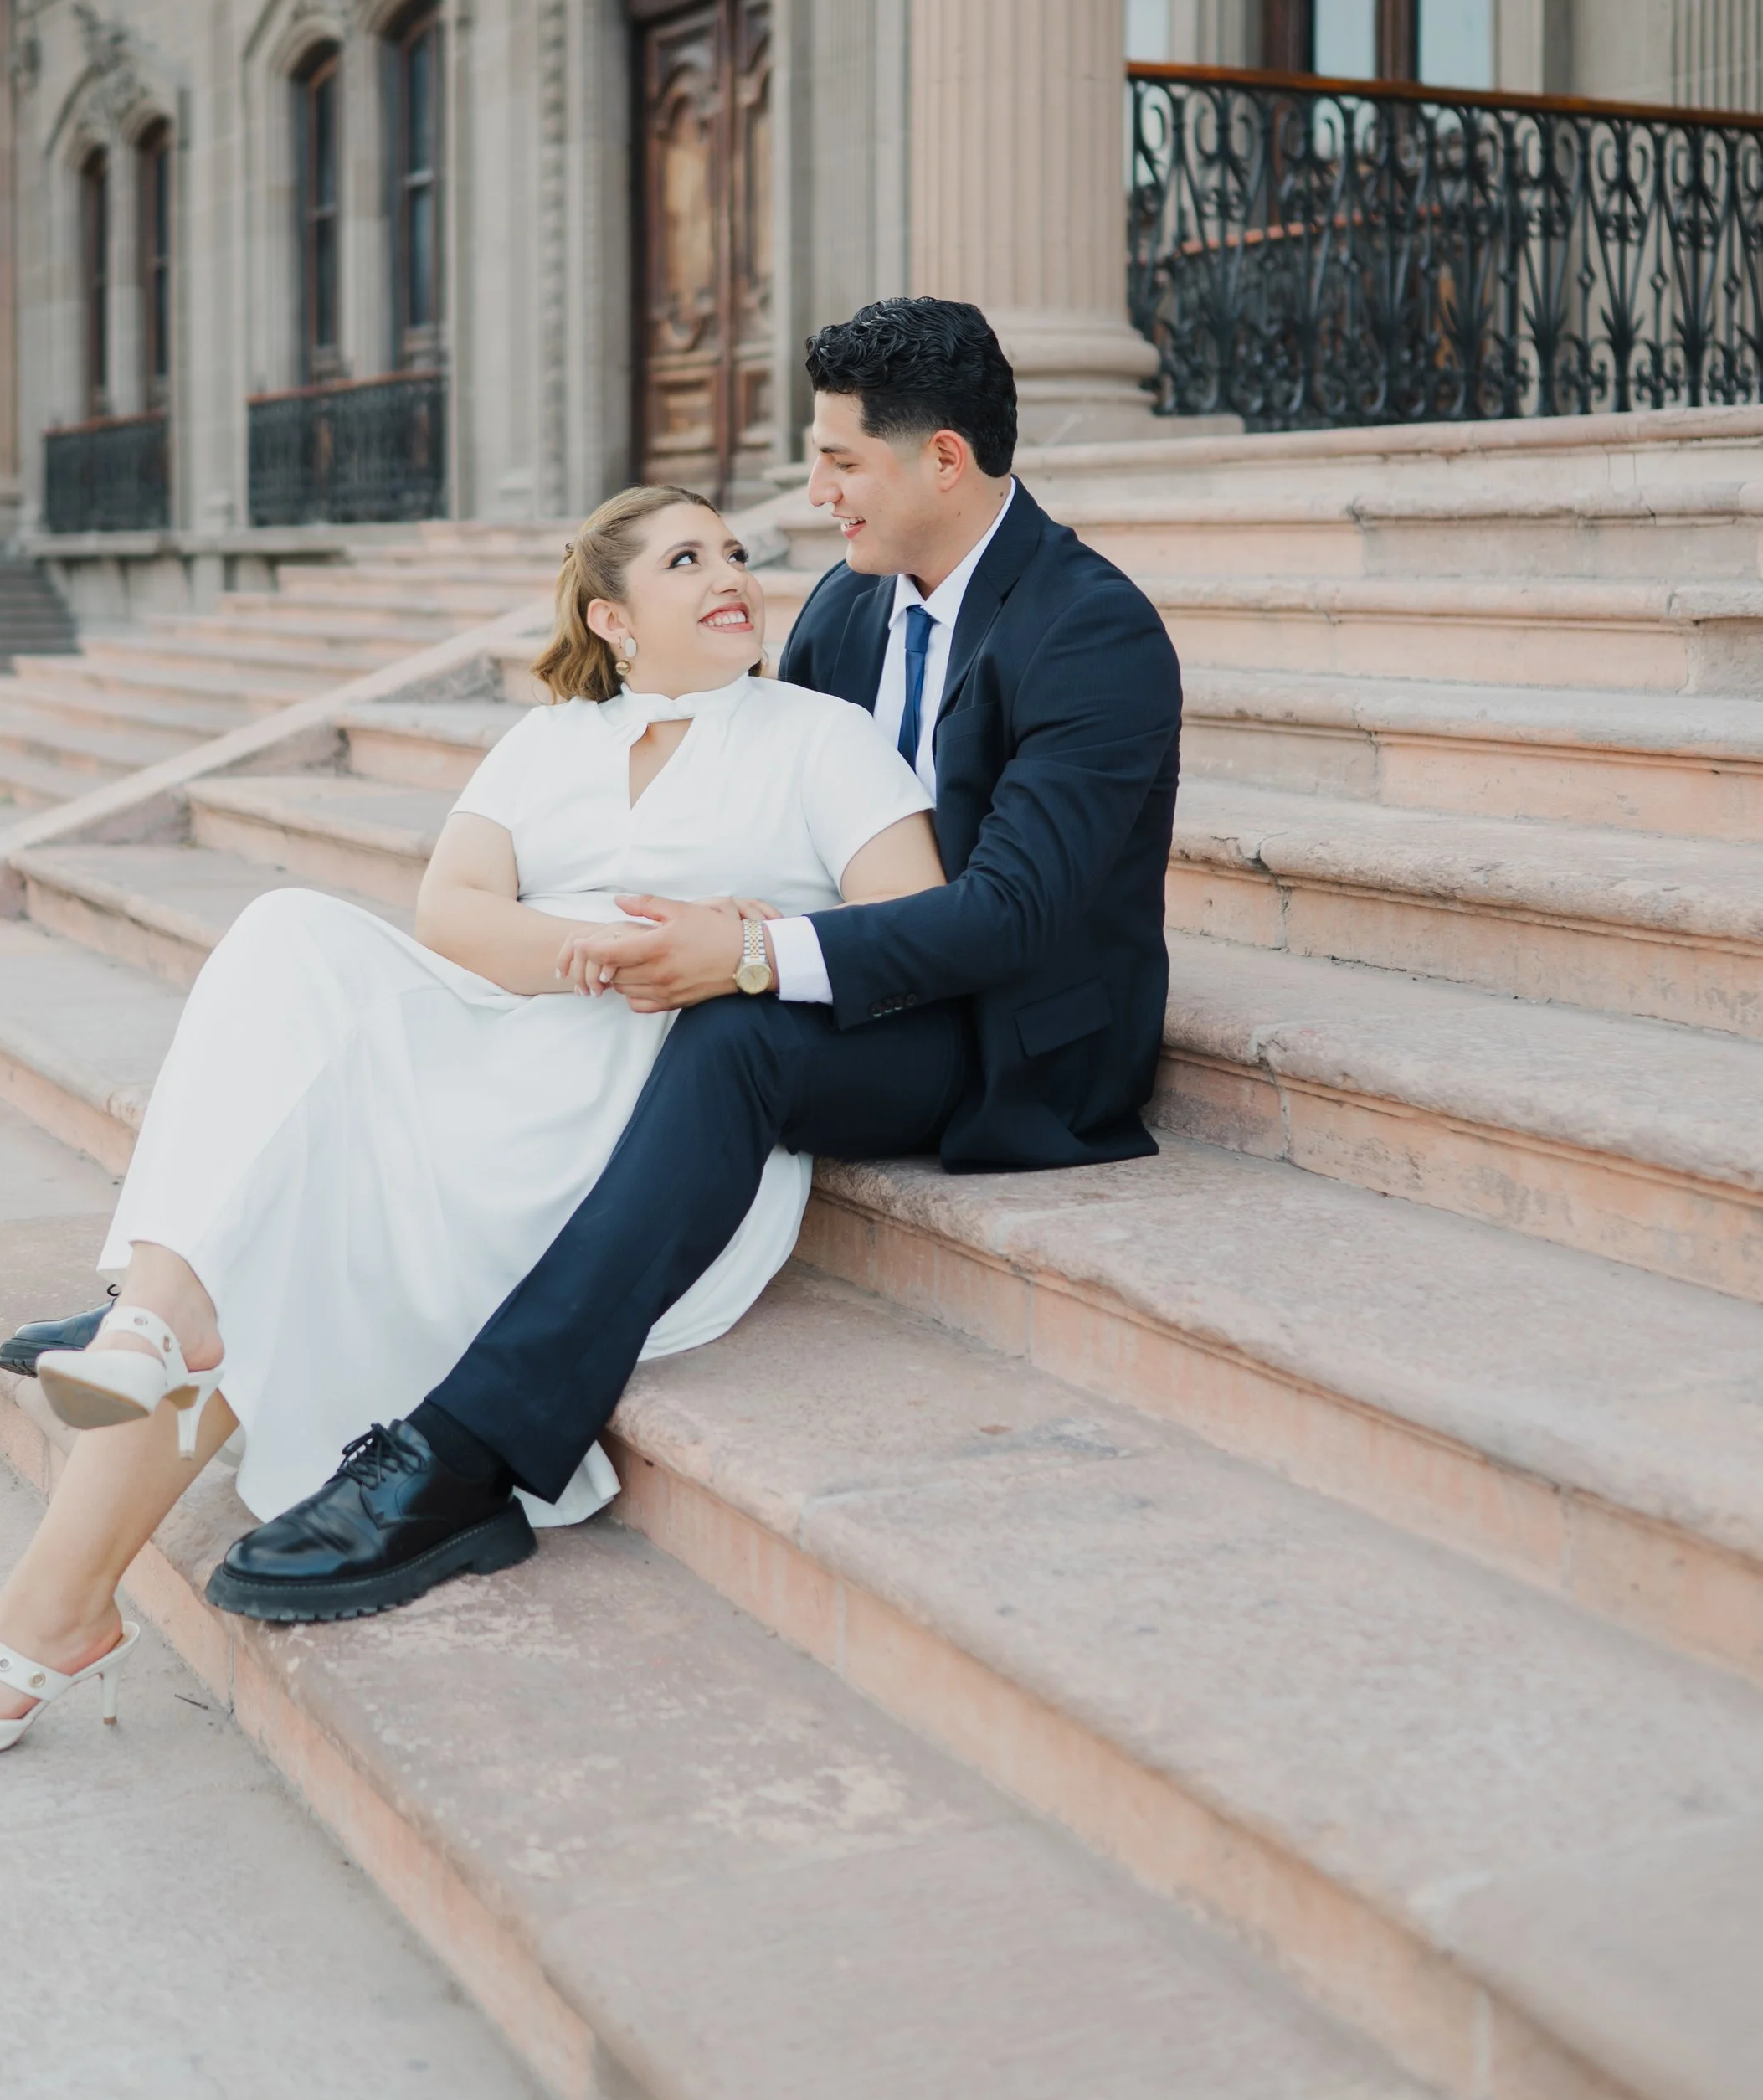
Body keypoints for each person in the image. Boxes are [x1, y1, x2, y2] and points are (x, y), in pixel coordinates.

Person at [0, 482, 944, 1753]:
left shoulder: (819, 735)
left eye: (735, 552)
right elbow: (451, 912)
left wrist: (745, 941)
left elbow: (908, 928)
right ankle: (147, 1344)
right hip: (505, 1042)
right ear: (611, 616)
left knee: (273, 1229)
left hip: (645, 1113)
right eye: (687, 559)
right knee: (285, 931)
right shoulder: (550, 741)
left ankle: (64, 1553)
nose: (731, 574)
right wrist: (583, 944)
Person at [192, 296, 1183, 1628]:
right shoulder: (848, 609)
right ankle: (221, 1265)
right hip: (871, 976)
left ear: (942, 460)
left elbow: (1012, 917)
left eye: (839, 460)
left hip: (1012, 1034)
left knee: (734, 1024)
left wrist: (757, 951)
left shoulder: (1090, 628)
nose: (815, 492)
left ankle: (466, 1455)